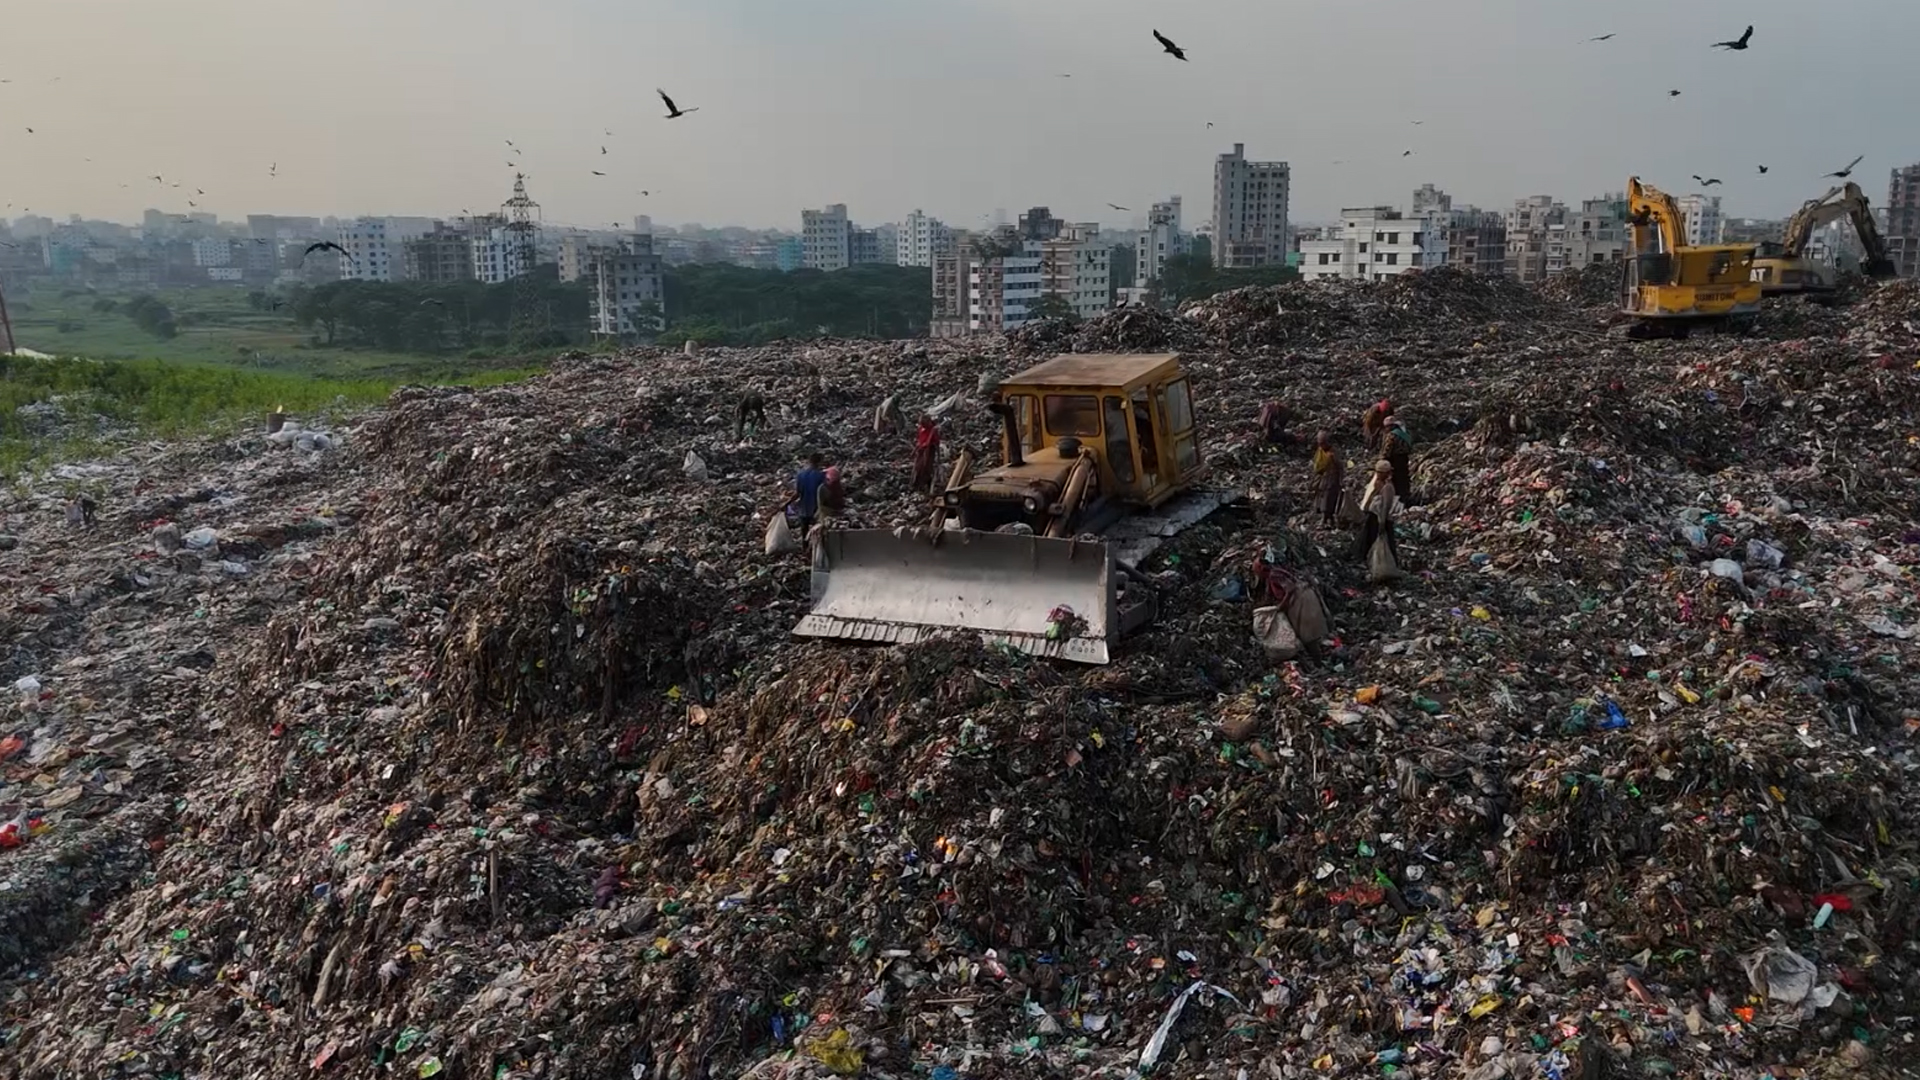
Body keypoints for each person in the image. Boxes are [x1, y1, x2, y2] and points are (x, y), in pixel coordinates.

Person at [1357, 459, 1400, 567]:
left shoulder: (1388, 487)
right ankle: (1371, 561)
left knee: (1386, 543)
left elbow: (1385, 506)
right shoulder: (1379, 484)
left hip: (1381, 518)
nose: (1377, 474)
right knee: (1370, 540)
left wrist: (1382, 521)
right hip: (1374, 516)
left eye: (1379, 472)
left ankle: (1388, 565)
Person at [787, 453, 828, 544]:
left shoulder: (801, 475)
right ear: (820, 462)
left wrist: (786, 504)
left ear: (810, 461)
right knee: (817, 534)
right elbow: (824, 493)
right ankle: (815, 552)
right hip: (817, 510)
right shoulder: (821, 476)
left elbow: (797, 493)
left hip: (804, 509)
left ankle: (805, 550)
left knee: (804, 533)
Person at [1310, 430, 1344, 527]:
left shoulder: (1333, 453)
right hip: (1322, 478)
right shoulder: (1320, 451)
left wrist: (1341, 480)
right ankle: (1325, 518)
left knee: (1329, 499)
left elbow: (1340, 466)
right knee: (1321, 497)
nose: (1321, 445)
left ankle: (1327, 518)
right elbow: (1317, 464)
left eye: (1323, 443)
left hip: (1332, 479)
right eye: (1320, 443)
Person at [911, 414, 941, 495]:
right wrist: (915, 450)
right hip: (921, 449)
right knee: (918, 467)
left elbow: (936, 443)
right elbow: (919, 440)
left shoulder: (933, 430)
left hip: (929, 450)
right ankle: (917, 484)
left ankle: (926, 484)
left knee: (926, 467)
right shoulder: (921, 428)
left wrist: (938, 457)